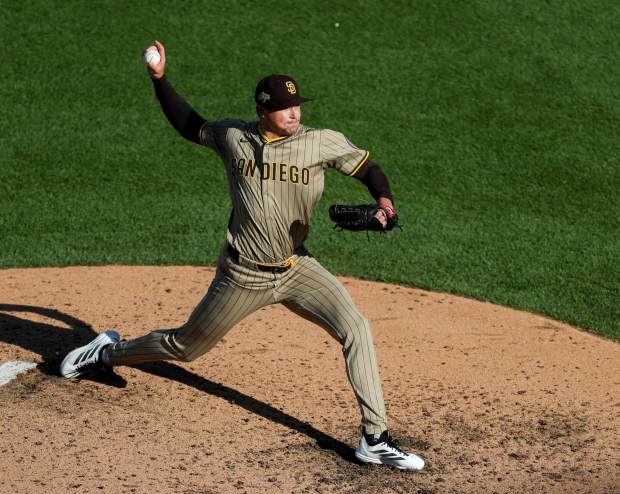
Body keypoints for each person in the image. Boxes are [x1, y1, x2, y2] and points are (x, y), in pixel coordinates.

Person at [60, 41, 424, 471]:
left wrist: (385, 204)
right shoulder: (233, 137)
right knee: (184, 347)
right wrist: (160, 81)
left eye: (298, 105)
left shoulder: (321, 143)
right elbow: (187, 124)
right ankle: (105, 353)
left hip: (296, 267)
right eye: (286, 107)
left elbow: (370, 169)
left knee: (356, 329)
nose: (295, 114)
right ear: (264, 109)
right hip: (242, 276)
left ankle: (374, 437)